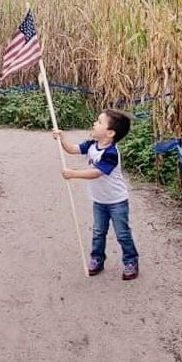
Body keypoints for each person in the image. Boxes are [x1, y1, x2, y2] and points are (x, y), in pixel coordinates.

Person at [53, 109, 139, 280]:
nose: (94, 123)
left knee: (122, 233)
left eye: (99, 122)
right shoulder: (92, 144)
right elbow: (72, 149)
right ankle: (97, 259)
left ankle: (131, 261)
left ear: (110, 132)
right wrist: (62, 139)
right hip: (99, 201)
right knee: (98, 231)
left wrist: (74, 174)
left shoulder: (111, 153)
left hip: (117, 201)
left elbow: (97, 172)